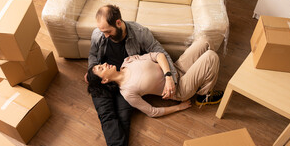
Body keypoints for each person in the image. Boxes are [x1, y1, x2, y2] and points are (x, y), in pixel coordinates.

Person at [85, 4, 177, 146]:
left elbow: (159, 51)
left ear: (118, 23)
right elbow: (94, 54)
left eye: (108, 31)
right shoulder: (98, 34)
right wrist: (93, 70)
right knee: (107, 116)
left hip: (126, 82)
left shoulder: (139, 32)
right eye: (102, 32)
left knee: (123, 117)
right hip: (103, 80)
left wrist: (171, 78)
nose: (105, 36)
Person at [87, 37, 223, 118]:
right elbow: (152, 111)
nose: (104, 64)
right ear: (104, 80)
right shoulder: (127, 92)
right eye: (101, 68)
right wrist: (178, 107)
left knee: (204, 41)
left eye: (101, 65)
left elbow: (158, 55)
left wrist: (169, 77)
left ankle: (204, 80)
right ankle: (203, 96)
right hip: (180, 87)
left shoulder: (127, 61)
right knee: (211, 56)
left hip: (175, 69)